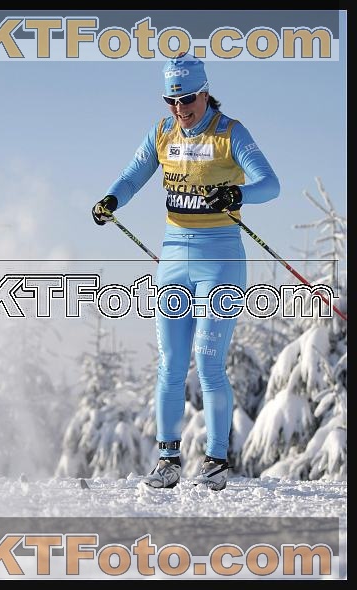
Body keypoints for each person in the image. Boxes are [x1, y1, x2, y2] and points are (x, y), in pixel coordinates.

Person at [92, 53, 280, 490]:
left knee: (209, 362)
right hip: (174, 258)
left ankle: (216, 460)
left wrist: (235, 194)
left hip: (221, 260)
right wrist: (111, 200)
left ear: (205, 92)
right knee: (172, 364)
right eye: (171, 101)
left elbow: (271, 185)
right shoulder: (162, 132)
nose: (180, 109)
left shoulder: (230, 133)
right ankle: (168, 461)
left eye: (188, 99)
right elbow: (132, 175)